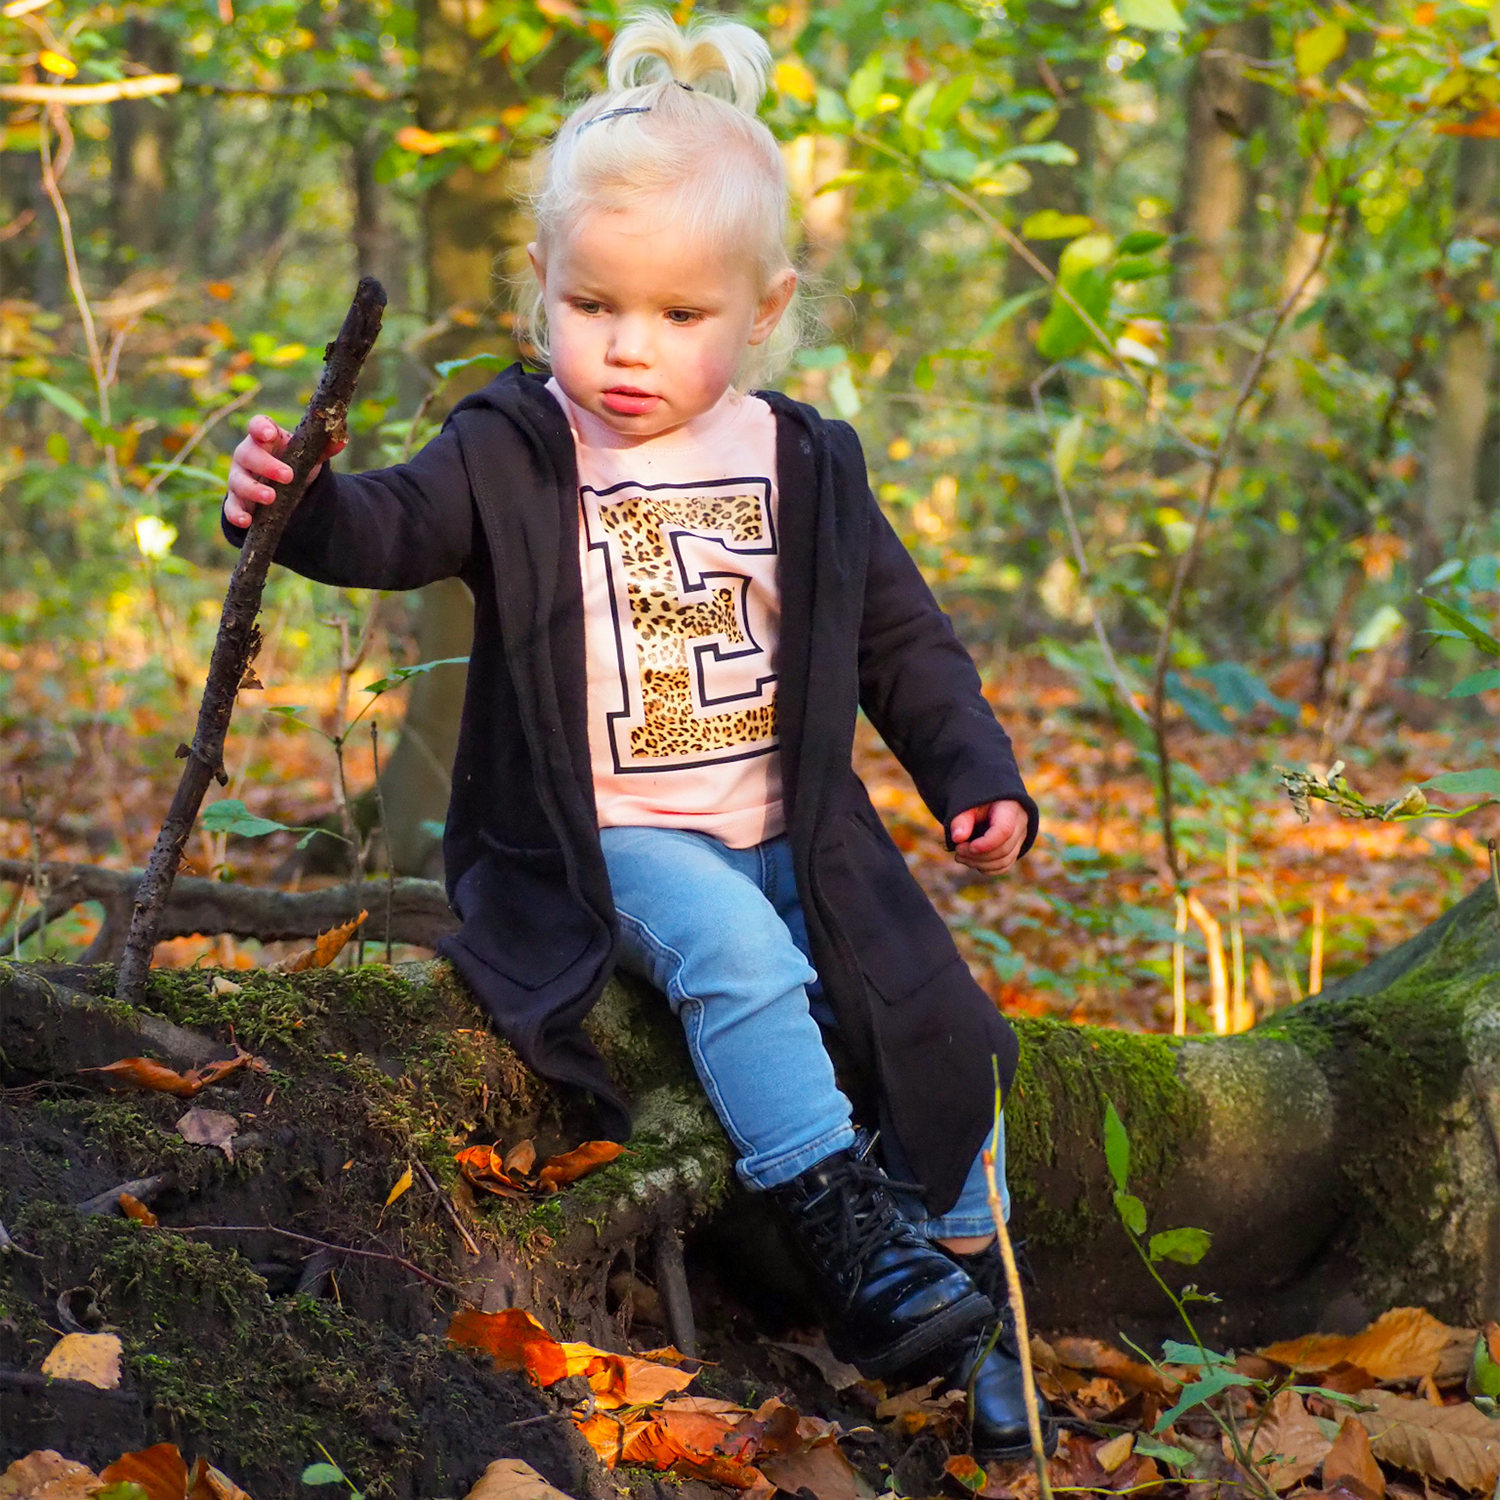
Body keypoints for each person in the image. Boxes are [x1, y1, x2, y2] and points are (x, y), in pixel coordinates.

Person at [223, 9, 1053, 1457]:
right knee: (739, 964)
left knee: (938, 1021)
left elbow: (902, 642)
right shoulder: (514, 447)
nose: (628, 349)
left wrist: (975, 775)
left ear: (764, 310)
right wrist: (296, 504)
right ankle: (844, 1234)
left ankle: (980, 1314)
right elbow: (394, 523)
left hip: (796, 826)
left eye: (680, 318)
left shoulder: (802, 460)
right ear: (541, 285)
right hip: (613, 840)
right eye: (594, 305)